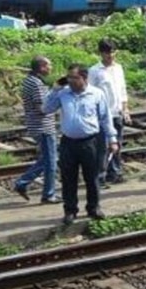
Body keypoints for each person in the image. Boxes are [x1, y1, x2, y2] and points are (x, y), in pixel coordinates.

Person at [42, 64, 118, 225]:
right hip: (68, 142)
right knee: (69, 178)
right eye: (68, 77)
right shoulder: (63, 94)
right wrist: (54, 89)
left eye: (74, 78)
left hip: (90, 141)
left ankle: (93, 207)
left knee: (92, 177)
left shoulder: (96, 94)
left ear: (84, 78)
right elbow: (46, 108)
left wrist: (112, 139)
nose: (70, 80)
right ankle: (70, 210)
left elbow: (105, 118)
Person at [13, 56, 61, 204]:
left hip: (36, 125)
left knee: (48, 159)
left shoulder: (30, 81)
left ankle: (22, 183)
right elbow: (42, 108)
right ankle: (47, 194)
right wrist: (55, 97)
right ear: (41, 67)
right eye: (49, 65)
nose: (51, 68)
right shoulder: (36, 84)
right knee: (51, 161)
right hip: (43, 127)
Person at [88, 39, 130, 186]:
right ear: (101, 53)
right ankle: (101, 175)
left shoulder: (118, 68)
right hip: (103, 115)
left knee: (117, 144)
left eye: (112, 52)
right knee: (103, 147)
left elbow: (122, 89)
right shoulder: (94, 71)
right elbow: (90, 92)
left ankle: (115, 172)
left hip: (117, 111)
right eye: (107, 52)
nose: (110, 55)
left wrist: (125, 108)